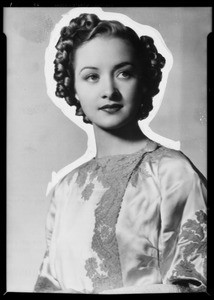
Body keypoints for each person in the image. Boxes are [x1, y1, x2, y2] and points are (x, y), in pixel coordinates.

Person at [34, 11, 207, 294]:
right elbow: (47, 286)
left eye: (124, 73)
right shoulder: (65, 189)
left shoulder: (173, 173)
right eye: (91, 77)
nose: (109, 90)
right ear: (73, 88)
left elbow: (194, 285)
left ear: (144, 81)